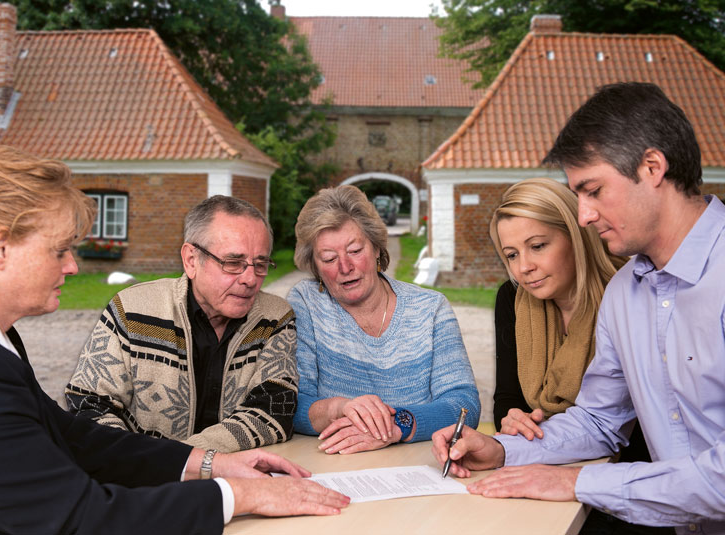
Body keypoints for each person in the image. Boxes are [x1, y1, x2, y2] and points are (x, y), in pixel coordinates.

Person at [0, 145, 349, 534]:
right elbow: (79, 518)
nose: (72, 266)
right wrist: (240, 495)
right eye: (59, 250)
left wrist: (207, 463)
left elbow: (73, 436)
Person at [432, 82, 725, 532]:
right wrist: (503, 450)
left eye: (593, 190)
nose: (583, 215)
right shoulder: (627, 292)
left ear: (652, 167)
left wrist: (580, 481)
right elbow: (598, 420)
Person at [490, 178, 664, 534]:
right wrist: (513, 421)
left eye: (537, 246)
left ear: (576, 236)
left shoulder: (630, 294)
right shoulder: (512, 300)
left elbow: (640, 430)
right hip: (542, 467)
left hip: (629, 486)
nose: (524, 267)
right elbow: (507, 398)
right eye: (511, 255)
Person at [66, 195, 298, 453]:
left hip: (233, 481)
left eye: (261, 264)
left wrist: (181, 460)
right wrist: (144, 464)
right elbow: (87, 404)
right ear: (191, 260)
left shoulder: (275, 317)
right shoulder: (132, 309)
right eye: (233, 263)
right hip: (137, 482)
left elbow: (274, 411)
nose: (250, 278)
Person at [289, 185, 480, 455]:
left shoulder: (430, 308)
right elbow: (290, 405)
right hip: (336, 466)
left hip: (420, 467)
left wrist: (396, 425)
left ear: (377, 248)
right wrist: (338, 408)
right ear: (315, 266)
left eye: (355, 250)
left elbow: (464, 405)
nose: (345, 267)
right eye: (329, 258)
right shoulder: (306, 303)